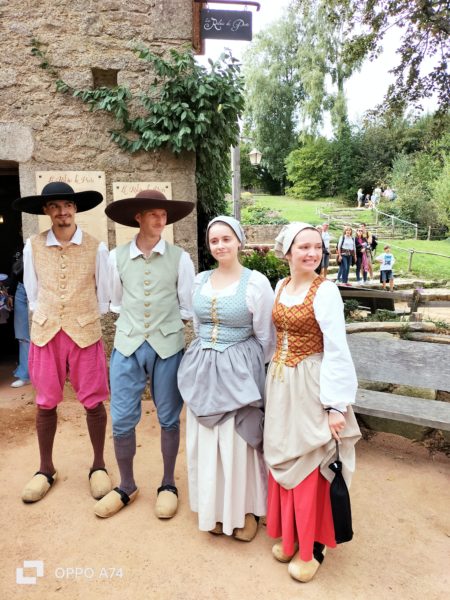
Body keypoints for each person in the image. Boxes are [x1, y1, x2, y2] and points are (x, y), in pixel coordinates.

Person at [263, 222, 361, 583]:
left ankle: (313, 547)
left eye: (317, 247)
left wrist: (336, 405)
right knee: (282, 452)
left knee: (310, 456)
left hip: (312, 385)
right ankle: (290, 536)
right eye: (303, 247)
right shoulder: (281, 286)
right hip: (280, 383)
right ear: (287, 252)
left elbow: (337, 349)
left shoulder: (326, 292)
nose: (312, 253)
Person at [94, 189, 195, 519]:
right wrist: (137, 327)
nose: (160, 219)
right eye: (153, 214)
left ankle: (167, 483)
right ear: (138, 217)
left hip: (168, 346)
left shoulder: (180, 258)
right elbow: (115, 302)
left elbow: (187, 306)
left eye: (163, 215)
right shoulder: (116, 257)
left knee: (169, 416)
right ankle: (126, 485)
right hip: (128, 344)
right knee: (122, 417)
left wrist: (165, 328)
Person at [12, 182, 112, 504]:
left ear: (76, 209)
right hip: (47, 331)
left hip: (84, 331)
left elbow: (104, 295)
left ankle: (98, 465)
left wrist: (82, 316)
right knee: (45, 401)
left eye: (67, 205)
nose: (62, 212)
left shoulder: (96, 247)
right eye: (55, 206)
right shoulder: (33, 246)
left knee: (93, 400)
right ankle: (45, 468)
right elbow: (33, 292)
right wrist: (50, 316)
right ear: (46, 211)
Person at [177, 216, 275, 542]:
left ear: (239, 241)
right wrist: (208, 354)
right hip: (203, 366)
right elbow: (196, 325)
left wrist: (243, 366)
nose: (220, 245)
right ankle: (215, 510)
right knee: (208, 441)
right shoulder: (200, 280)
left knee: (238, 442)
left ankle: (246, 510)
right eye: (214, 240)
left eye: (226, 239)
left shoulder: (256, 282)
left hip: (240, 370)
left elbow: (265, 336)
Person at [9, 248, 31, 387]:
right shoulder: (19, 251)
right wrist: (10, 293)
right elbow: (13, 272)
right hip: (22, 290)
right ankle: (25, 374)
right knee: (23, 335)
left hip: (43, 289)